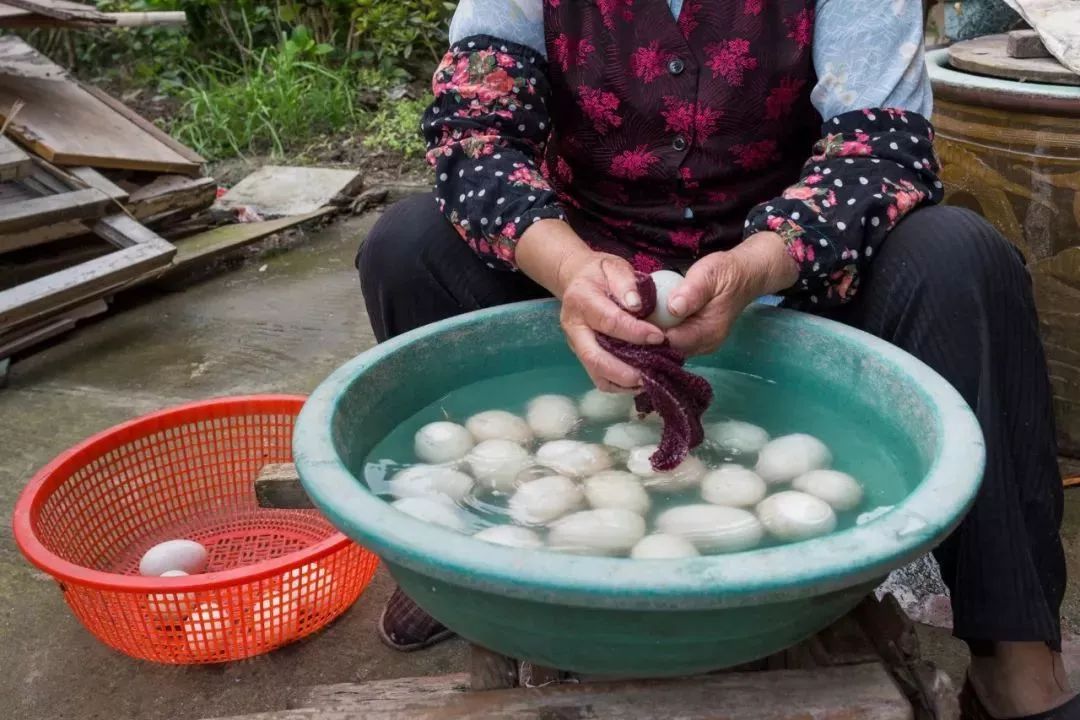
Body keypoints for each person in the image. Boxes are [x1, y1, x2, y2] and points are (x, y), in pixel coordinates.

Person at [358, 2, 1075, 717]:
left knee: (961, 260)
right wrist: (572, 273)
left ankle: (1012, 646)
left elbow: (882, 152)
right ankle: (455, 549)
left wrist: (758, 267)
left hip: (794, 267)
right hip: (581, 265)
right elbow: (472, 134)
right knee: (407, 247)